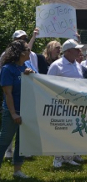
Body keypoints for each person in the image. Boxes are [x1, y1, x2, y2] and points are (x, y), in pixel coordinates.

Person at [0, 40, 36, 179]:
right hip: (12, 112)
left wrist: (32, 74)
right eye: (27, 49)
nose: (30, 52)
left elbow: (38, 81)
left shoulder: (28, 64)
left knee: (21, 142)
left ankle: (17, 170)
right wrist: (14, 113)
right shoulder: (8, 69)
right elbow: (7, 93)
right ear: (21, 53)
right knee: (4, 141)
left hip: (26, 110)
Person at [47, 39, 84, 168]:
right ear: (68, 51)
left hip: (76, 104)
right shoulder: (56, 65)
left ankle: (68, 157)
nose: (80, 51)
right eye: (77, 49)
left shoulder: (78, 65)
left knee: (72, 130)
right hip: (60, 104)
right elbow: (48, 84)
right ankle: (57, 158)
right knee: (61, 131)